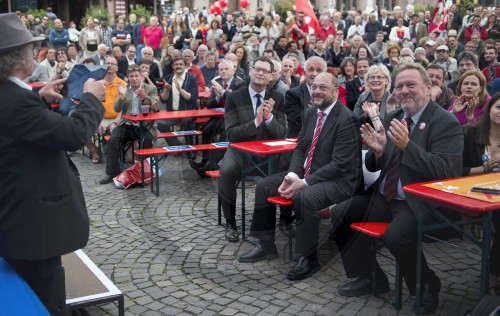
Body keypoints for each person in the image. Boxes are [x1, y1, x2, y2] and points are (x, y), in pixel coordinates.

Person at [331, 63, 464, 315]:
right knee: (341, 213)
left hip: (417, 200)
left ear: (428, 87)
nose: (404, 91)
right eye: (400, 86)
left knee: (395, 236)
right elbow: (376, 162)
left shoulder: (445, 122)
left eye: (411, 85)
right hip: (387, 196)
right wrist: (379, 152)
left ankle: (426, 283)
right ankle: (371, 277)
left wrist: (407, 146)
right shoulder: (393, 118)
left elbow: (446, 172)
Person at [0, 13, 106, 314]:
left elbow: (21, 129)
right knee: (43, 302)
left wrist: (41, 99)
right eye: (31, 49)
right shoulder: (18, 102)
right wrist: (92, 99)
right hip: (32, 228)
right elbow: (73, 135)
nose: (36, 53)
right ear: (18, 57)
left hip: (17, 220)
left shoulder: (13, 96)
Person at [238, 72, 362, 281]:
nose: (317, 91)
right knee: (264, 186)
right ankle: (266, 244)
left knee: (304, 198)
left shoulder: (347, 119)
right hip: (307, 173)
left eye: (323, 87)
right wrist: (293, 174)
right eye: (313, 87)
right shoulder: (311, 113)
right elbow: (301, 147)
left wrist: (303, 182)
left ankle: (309, 257)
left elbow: (340, 165)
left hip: (339, 181)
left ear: (335, 90)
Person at [218, 57, 286, 242]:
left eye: (265, 70)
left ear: (271, 75)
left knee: (289, 169)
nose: (260, 73)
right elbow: (231, 134)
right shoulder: (234, 97)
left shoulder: (277, 97)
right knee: (227, 171)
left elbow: (282, 133)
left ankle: (286, 220)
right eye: (257, 69)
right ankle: (231, 222)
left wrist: (269, 118)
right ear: (250, 71)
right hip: (240, 151)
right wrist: (256, 122)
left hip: (269, 152)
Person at [461, 92, 500, 296]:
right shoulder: (470, 133)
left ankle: (494, 275)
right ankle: (492, 283)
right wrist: (484, 169)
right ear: (489, 109)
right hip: (470, 193)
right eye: (498, 107)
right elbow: (456, 168)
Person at [99, 64, 160, 184]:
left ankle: (145, 173)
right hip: (127, 124)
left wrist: (145, 96)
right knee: (113, 140)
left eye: (137, 76)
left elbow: (156, 106)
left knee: (147, 140)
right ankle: (111, 173)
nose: (134, 79)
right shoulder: (124, 88)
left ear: (141, 76)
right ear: (128, 77)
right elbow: (116, 109)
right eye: (131, 76)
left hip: (145, 126)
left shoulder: (150, 89)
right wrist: (121, 96)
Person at [190, 59, 246, 175]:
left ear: (233, 70)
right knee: (206, 131)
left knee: (224, 136)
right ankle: (205, 161)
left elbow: (238, 102)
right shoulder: (217, 81)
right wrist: (217, 98)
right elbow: (209, 104)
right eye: (221, 69)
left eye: (226, 69)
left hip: (233, 118)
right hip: (218, 117)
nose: (224, 72)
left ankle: (212, 164)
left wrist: (223, 92)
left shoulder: (240, 83)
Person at [157, 58, 199, 149]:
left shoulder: (191, 78)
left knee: (186, 121)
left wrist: (180, 89)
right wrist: (166, 90)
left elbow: (193, 98)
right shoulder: (168, 78)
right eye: (176, 64)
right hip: (172, 113)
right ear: (173, 66)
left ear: (185, 66)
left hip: (187, 112)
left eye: (181, 64)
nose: (178, 66)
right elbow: (163, 100)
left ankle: (190, 149)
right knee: (160, 123)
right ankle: (177, 145)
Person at [284, 57, 327, 138]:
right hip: (299, 141)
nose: (314, 74)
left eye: (318, 70)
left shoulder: (330, 94)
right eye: (311, 70)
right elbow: (298, 121)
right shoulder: (292, 94)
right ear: (304, 73)